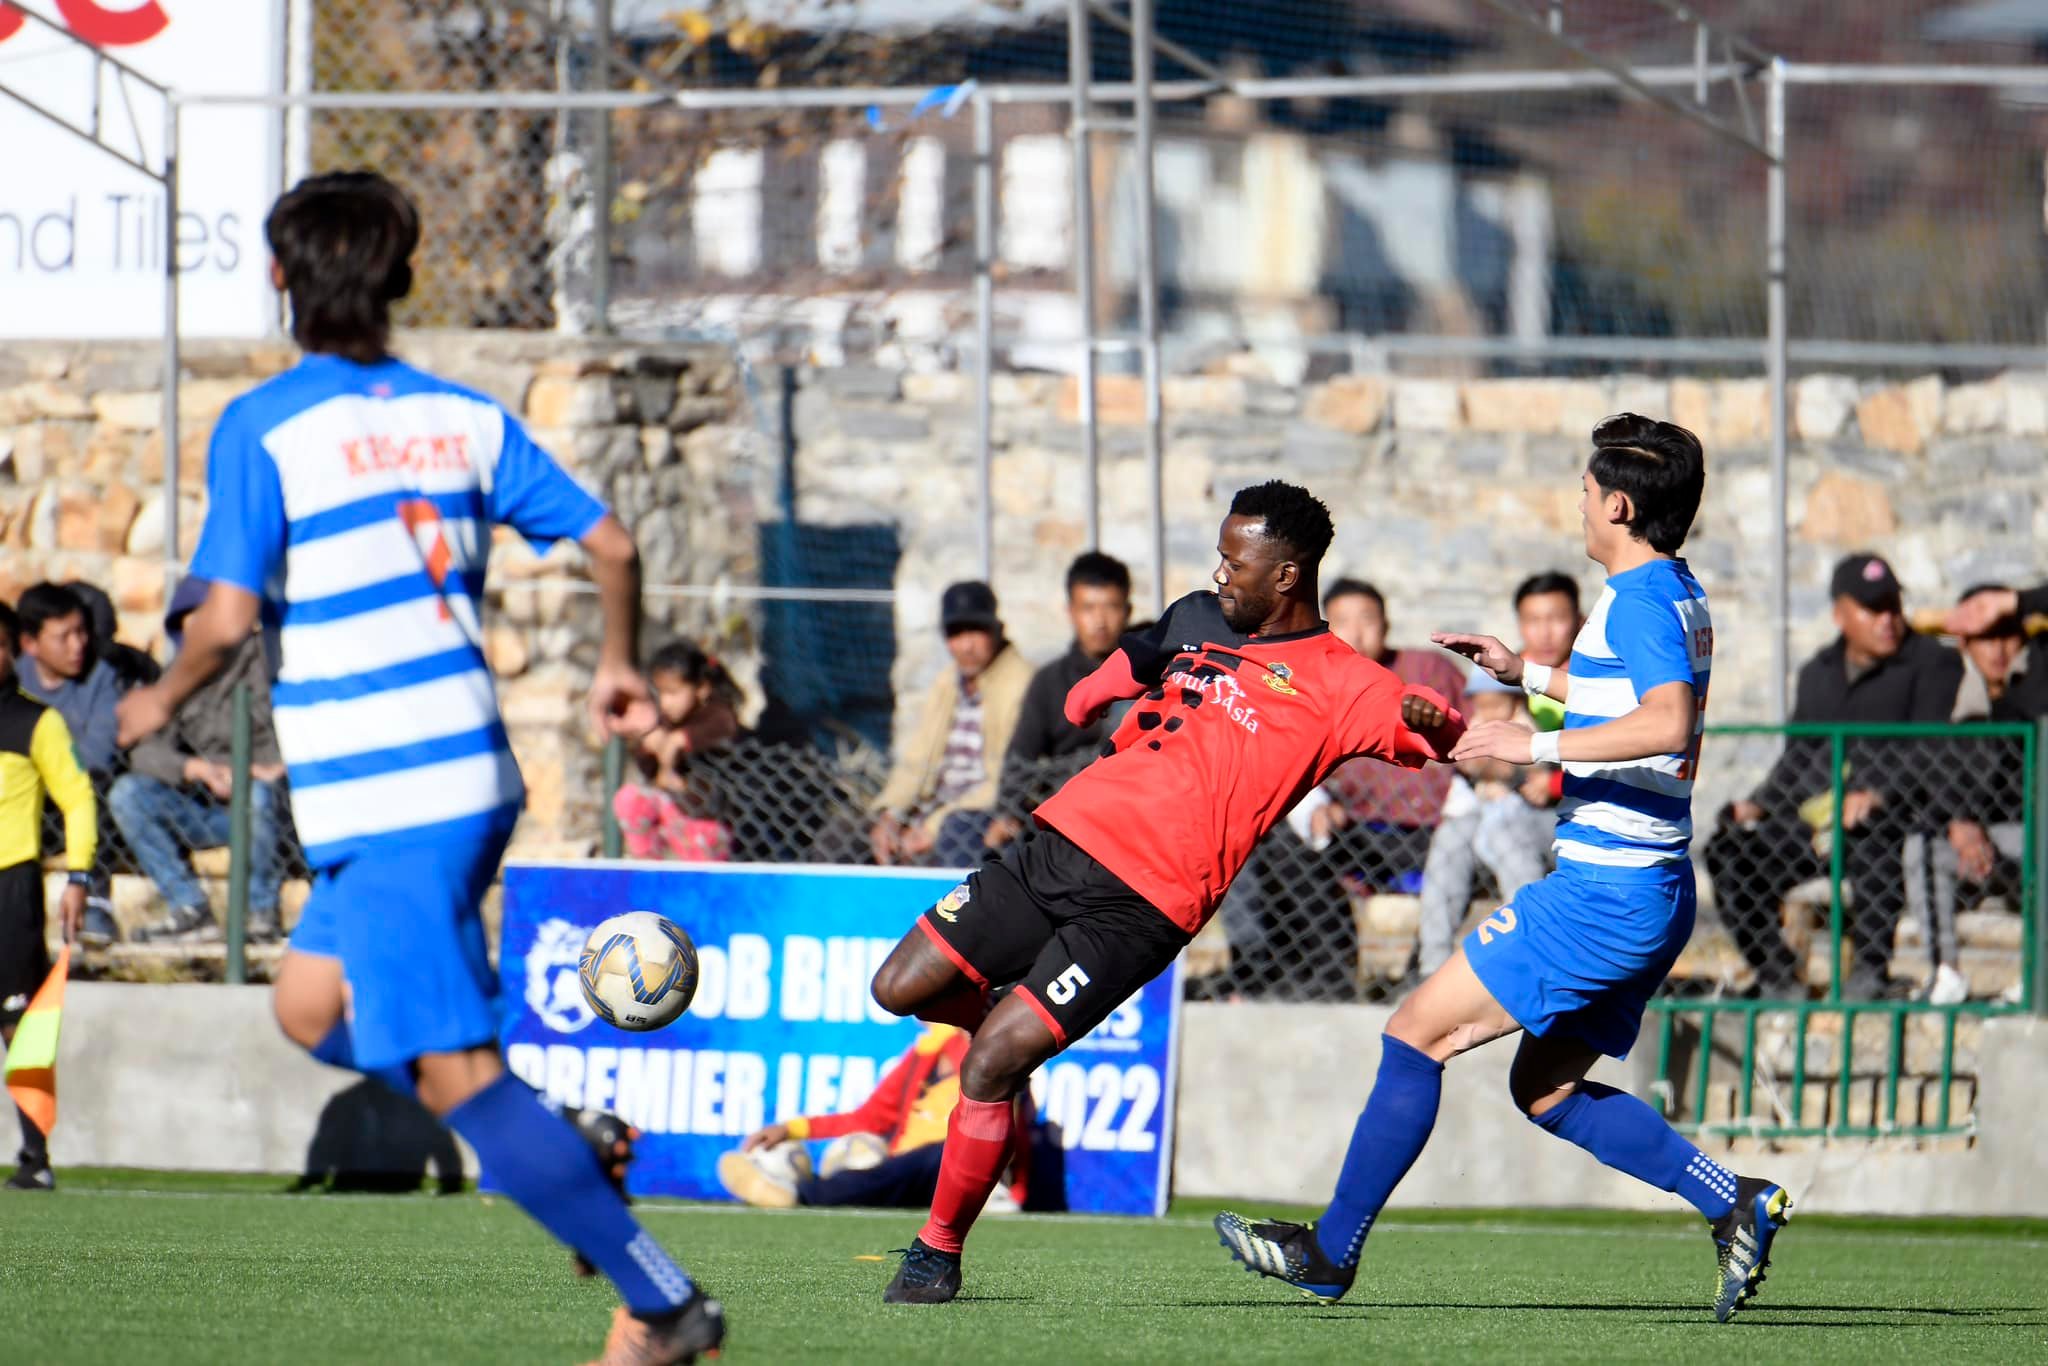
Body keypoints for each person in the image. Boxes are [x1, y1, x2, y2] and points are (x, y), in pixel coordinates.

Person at [111, 171, 722, 1366]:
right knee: (306, 1006)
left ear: (282, 279)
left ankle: (663, 1303)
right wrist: (613, 662)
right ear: (399, 278)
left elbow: (227, 617)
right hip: (458, 778)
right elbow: (611, 537)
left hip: (391, 796)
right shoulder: (466, 418)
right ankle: (550, 1135)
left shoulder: (265, 424)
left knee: (456, 1079)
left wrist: (157, 699)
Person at [1216, 415, 1793, 1326]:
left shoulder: (1639, 599)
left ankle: (1330, 1252)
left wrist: (1537, 744)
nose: (1576, 504)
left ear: (1619, 504)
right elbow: (1631, 693)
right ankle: (1733, 1199)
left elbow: (1670, 720)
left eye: (1583, 490)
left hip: (1603, 898)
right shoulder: (1672, 589)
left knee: (1415, 1035)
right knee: (1547, 1089)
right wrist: (1525, 670)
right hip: (1652, 891)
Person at [865, 479, 1466, 1305]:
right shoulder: (1202, 613)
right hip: (1056, 848)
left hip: (1140, 907)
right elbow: (1148, 650)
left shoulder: (1345, 683)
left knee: (989, 1064)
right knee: (897, 988)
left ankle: (937, 1252)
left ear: (1286, 576)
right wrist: (1092, 690)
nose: (1219, 574)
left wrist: (1440, 723)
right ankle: (1006, 1040)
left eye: (1234, 560)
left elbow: (1430, 727)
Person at [1703, 553, 1961, 1000]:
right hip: (1815, 824)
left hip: (1895, 819)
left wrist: (1878, 794)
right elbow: (1799, 757)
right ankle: (1777, 975)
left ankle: (1869, 974)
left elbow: (1934, 753)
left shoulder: (1932, 664)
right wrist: (1760, 803)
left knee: (1871, 832)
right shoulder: (1819, 674)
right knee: (1728, 851)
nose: (1887, 619)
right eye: (1873, 608)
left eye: (1892, 606)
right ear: (1840, 614)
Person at [1413, 573, 1579, 976]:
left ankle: (1528, 960)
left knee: (1505, 829)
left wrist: (1555, 782)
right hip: (1494, 811)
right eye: (1532, 619)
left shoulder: (1590, 679)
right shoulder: (1504, 677)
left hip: (1563, 815)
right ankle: (1430, 967)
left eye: (1556, 617)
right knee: (1451, 839)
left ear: (1578, 618)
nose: (1544, 631)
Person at [110, 575, 288, 944]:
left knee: (259, 796)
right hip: (208, 809)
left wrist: (251, 772)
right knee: (128, 794)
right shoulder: (178, 678)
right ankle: (190, 909)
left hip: (269, 808)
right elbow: (145, 752)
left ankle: (259, 916)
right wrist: (196, 770)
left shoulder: (269, 665)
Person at [715, 1023, 1033, 1212]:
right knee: (878, 1161)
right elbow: (870, 1118)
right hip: (910, 1175)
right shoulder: (922, 1055)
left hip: (967, 1170)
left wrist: (955, 1035)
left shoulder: (991, 1048)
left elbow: (1007, 1123)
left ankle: (801, 1194)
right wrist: (792, 1129)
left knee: (950, 1149)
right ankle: (788, 1185)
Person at [1904, 585, 2040, 1004]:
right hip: (1969, 839)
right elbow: (1922, 778)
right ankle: (1947, 973)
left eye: (2008, 636)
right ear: (1965, 642)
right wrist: (1957, 822)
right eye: (1987, 638)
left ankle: (2038, 978)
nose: (1999, 650)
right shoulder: (1943, 696)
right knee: (1919, 850)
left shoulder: (2034, 692)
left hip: (2031, 836)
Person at [0, 601, 94, 1191]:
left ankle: (35, 1159)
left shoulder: (36, 721)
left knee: (19, 1025)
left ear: (12, 649)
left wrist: (78, 876)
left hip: (9, 886)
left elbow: (79, 798)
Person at [1312, 581, 1467, 892]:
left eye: (1367, 619)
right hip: (1355, 828)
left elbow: (1472, 731)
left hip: (1435, 824)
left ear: (1386, 625)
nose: (1356, 634)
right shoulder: (1315, 689)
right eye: (1343, 622)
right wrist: (1315, 804)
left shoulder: (1430, 670)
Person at [868, 581, 1032, 867]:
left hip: (981, 813)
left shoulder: (1021, 684)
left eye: (976, 631)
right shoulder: (947, 682)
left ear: (998, 629)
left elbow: (1005, 780)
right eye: (956, 633)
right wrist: (891, 815)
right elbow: (916, 762)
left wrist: (931, 827)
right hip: (930, 810)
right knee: (840, 837)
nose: (966, 645)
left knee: (954, 836)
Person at [984, 552, 1132, 850]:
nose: (1100, 621)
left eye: (1111, 607)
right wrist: (1008, 812)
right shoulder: (1049, 682)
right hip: (1062, 818)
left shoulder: (1147, 676)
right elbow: (1020, 759)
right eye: (1088, 608)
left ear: (1127, 611)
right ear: (1070, 611)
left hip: (1129, 810)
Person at [16, 582, 124, 948]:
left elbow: (97, 753)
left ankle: (95, 903)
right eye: (64, 637)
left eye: (81, 632)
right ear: (30, 644)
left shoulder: (102, 678)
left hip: (77, 798)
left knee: (95, 788)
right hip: (23, 805)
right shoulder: (14, 681)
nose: (78, 645)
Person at [612, 642, 743, 862]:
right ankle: (646, 864)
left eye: (673, 693)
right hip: (675, 815)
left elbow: (727, 726)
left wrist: (680, 740)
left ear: (702, 688)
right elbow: (650, 771)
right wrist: (649, 745)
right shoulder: (669, 720)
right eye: (661, 693)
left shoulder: (716, 713)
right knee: (629, 798)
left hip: (709, 821)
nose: (665, 703)